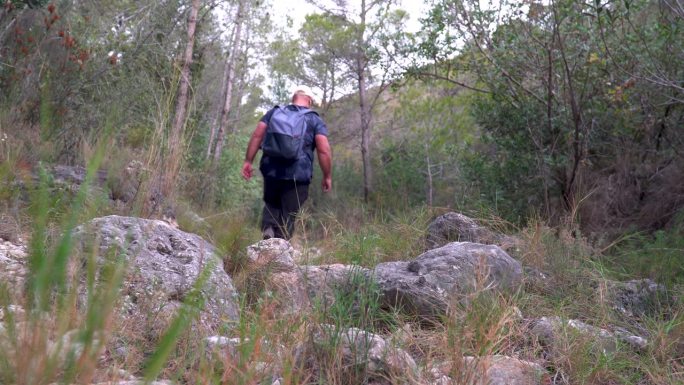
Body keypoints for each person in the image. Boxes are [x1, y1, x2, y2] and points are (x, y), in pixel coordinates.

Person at [242, 85, 332, 240]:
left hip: (271, 169)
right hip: (299, 173)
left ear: (293, 98)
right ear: (309, 100)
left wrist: (248, 161)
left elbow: (257, 135)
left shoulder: (274, 112)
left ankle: (269, 228)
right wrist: (327, 175)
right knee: (289, 213)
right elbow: (323, 150)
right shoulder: (314, 119)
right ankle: (280, 245)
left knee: (271, 203)